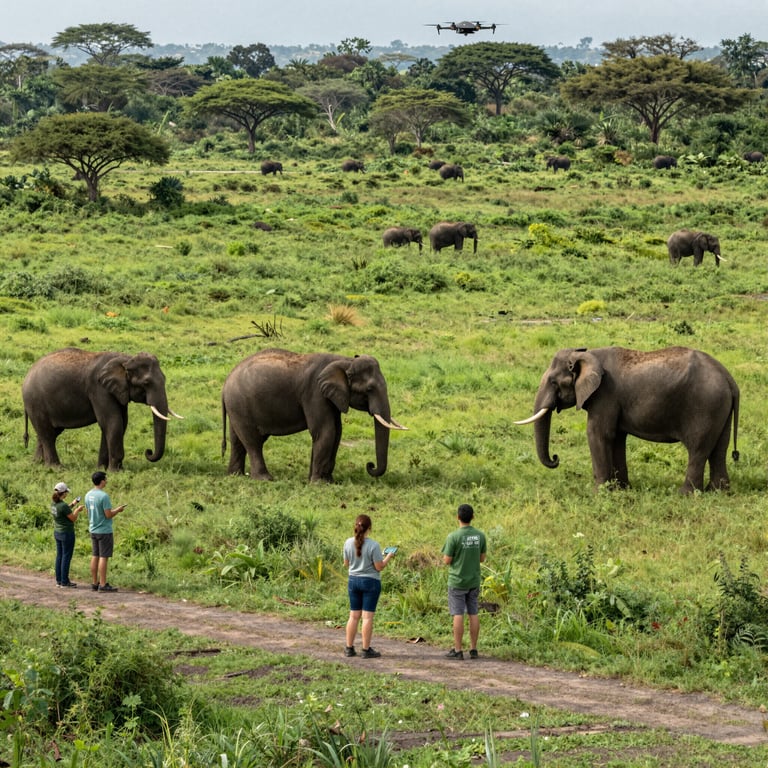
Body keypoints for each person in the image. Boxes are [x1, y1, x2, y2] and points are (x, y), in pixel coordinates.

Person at [343, 513, 396, 659]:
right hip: (370, 582)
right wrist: (388, 556)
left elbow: (346, 564)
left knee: (353, 616)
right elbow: (379, 567)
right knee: (367, 618)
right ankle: (365, 650)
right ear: (369, 528)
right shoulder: (374, 545)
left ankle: (349, 648)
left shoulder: (347, 542)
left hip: (353, 581)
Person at [442, 503, 487, 660]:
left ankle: (458, 650)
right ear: (473, 517)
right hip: (473, 581)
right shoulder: (480, 535)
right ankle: (473, 649)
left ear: (458, 517)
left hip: (457, 581)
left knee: (458, 613)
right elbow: (482, 558)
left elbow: (447, 560)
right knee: (473, 613)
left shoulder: (453, 536)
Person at [84, 471, 127, 593]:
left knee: (95, 555)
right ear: (102, 481)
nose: (106, 481)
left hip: (93, 529)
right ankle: (103, 584)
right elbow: (108, 515)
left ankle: (94, 583)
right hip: (104, 530)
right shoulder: (104, 496)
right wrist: (118, 510)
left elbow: (87, 512)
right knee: (103, 557)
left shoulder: (88, 495)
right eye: (105, 479)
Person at [51, 481, 83, 588]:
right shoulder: (63, 505)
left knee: (59, 556)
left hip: (57, 532)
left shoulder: (54, 504)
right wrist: (77, 510)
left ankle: (59, 580)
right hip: (66, 533)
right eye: (66, 492)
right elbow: (73, 518)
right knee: (66, 557)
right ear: (63, 493)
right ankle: (65, 581)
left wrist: (73, 504)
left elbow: (64, 511)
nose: (67, 494)